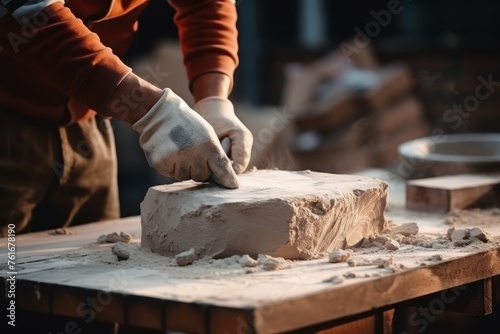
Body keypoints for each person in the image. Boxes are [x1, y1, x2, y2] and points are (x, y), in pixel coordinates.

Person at [0, 0, 253, 236]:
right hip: (8, 120)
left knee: (97, 267)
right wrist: (152, 112)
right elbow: (27, 12)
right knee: (8, 271)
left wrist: (213, 100)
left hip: (89, 120)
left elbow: (205, 4)